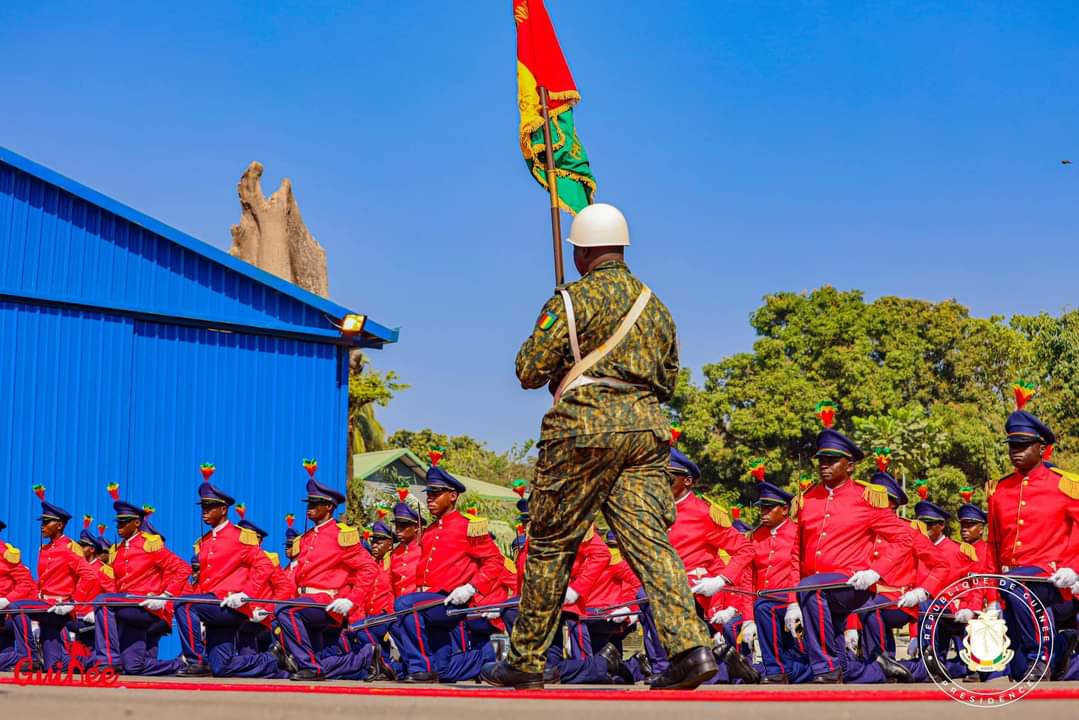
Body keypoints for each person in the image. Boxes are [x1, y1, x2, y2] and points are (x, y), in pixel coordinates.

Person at [485, 203, 717, 690]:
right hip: (645, 432)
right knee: (650, 543)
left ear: (581, 254)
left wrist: (565, 357)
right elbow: (668, 382)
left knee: (551, 544)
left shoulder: (571, 301)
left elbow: (528, 370)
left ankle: (526, 659)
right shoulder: (656, 307)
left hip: (582, 432)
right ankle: (691, 649)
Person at [794, 417, 913, 684]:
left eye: (832, 460)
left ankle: (825, 667)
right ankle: (882, 670)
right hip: (817, 592)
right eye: (821, 460)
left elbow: (905, 538)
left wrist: (875, 572)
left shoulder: (865, 498)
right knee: (846, 667)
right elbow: (795, 553)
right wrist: (792, 601)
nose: (824, 465)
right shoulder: (807, 499)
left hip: (852, 584)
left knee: (810, 588)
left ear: (850, 465)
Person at [636, 447, 755, 683]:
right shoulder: (654, 510)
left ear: (687, 481)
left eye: (668, 477)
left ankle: (669, 668)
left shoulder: (704, 513)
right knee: (646, 594)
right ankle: (720, 662)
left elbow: (746, 549)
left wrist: (720, 580)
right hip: (662, 583)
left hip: (693, 586)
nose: (661, 482)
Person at [986, 397, 1079, 680]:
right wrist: (990, 595)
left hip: (1054, 579)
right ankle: (1060, 646)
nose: (1016, 452)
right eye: (1012, 446)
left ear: (1041, 448)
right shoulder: (1001, 490)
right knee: (1016, 672)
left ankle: (1039, 655)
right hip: (1012, 584)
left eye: (1023, 445)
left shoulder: (1064, 484)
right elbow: (994, 545)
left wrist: (1073, 568)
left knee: (1032, 666)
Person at [389, 458, 505, 683]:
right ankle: (485, 660)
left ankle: (420, 667)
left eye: (436, 493)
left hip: (452, 600)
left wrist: (471, 588)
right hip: (431, 603)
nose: (430, 499)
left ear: (452, 496)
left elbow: (495, 562)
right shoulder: (430, 531)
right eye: (428, 494)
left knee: (405, 604)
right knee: (443, 672)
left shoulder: (468, 527)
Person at [273, 472, 382, 681]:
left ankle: (308, 666)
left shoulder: (341, 534)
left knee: (286, 611)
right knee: (319, 660)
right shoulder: (306, 538)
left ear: (329, 506)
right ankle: (366, 658)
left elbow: (369, 568)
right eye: (309, 503)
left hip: (327, 602)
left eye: (316, 503)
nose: (310, 507)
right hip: (307, 603)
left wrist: (352, 600)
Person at [173, 477, 276, 677]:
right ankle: (272, 661)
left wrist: (246, 594)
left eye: (210, 507)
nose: (204, 511)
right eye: (203, 507)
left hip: (231, 605)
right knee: (221, 667)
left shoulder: (240, 536)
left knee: (184, 604)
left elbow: (265, 566)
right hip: (214, 608)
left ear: (223, 510)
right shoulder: (204, 541)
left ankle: (196, 660)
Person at [93, 491, 191, 675]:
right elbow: (115, 585)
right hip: (127, 607)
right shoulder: (118, 550)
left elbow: (183, 569)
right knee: (133, 667)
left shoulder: (149, 544)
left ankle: (107, 660)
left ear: (137, 523)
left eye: (124, 522)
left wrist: (164, 597)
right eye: (118, 522)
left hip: (144, 605)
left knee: (102, 600)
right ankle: (180, 664)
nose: (119, 526)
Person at [7, 487, 97, 670]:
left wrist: (73, 602)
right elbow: (41, 582)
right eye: (42, 521)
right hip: (45, 606)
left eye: (47, 522)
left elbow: (90, 576)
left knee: (17, 607)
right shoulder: (44, 549)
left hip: (59, 607)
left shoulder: (70, 547)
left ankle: (29, 657)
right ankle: (97, 662)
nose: (42, 525)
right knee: (54, 666)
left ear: (60, 525)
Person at [748, 481, 812, 684]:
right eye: (761, 508)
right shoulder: (756, 536)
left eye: (769, 508)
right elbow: (749, 578)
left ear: (785, 510)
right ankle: (777, 670)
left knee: (800, 651)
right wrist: (748, 618)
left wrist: (794, 602)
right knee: (762, 608)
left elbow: (800, 570)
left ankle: (777, 670)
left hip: (793, 600)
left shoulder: (798, 533)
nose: (763, 512)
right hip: (765, 602)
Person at [0, 519, 37, 671]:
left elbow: (26, 583)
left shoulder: (6, 554)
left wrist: (6, 600)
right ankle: (15, 661)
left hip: (5, 614)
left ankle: (27, 658)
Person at [389, 502, 422, 597]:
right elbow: (390, 586)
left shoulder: (424, 549)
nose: (398, 530)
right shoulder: (394, 554)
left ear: (415, 527)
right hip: (398, 604)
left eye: (403, 526)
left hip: (418, 602)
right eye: (397, 526)